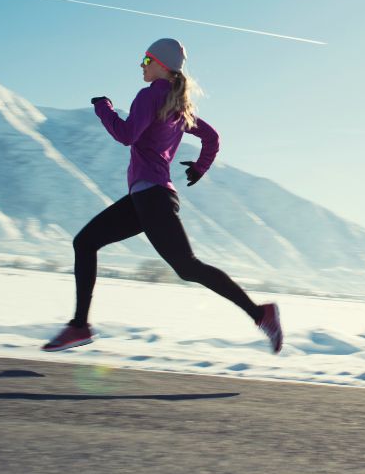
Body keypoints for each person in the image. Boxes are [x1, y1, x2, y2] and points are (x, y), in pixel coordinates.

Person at [42, 38, 283, 354]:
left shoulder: (151, 96)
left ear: (160, 64)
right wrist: (199, 168)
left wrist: (104, 108)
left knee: (187, 266)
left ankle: (260, 313)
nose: (141, 66)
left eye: (145, 60)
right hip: (147, 198)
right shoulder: (177, 104)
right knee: (85, 242)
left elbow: (126, 135)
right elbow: (212, 138)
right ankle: (79, 325)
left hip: (151, 198)